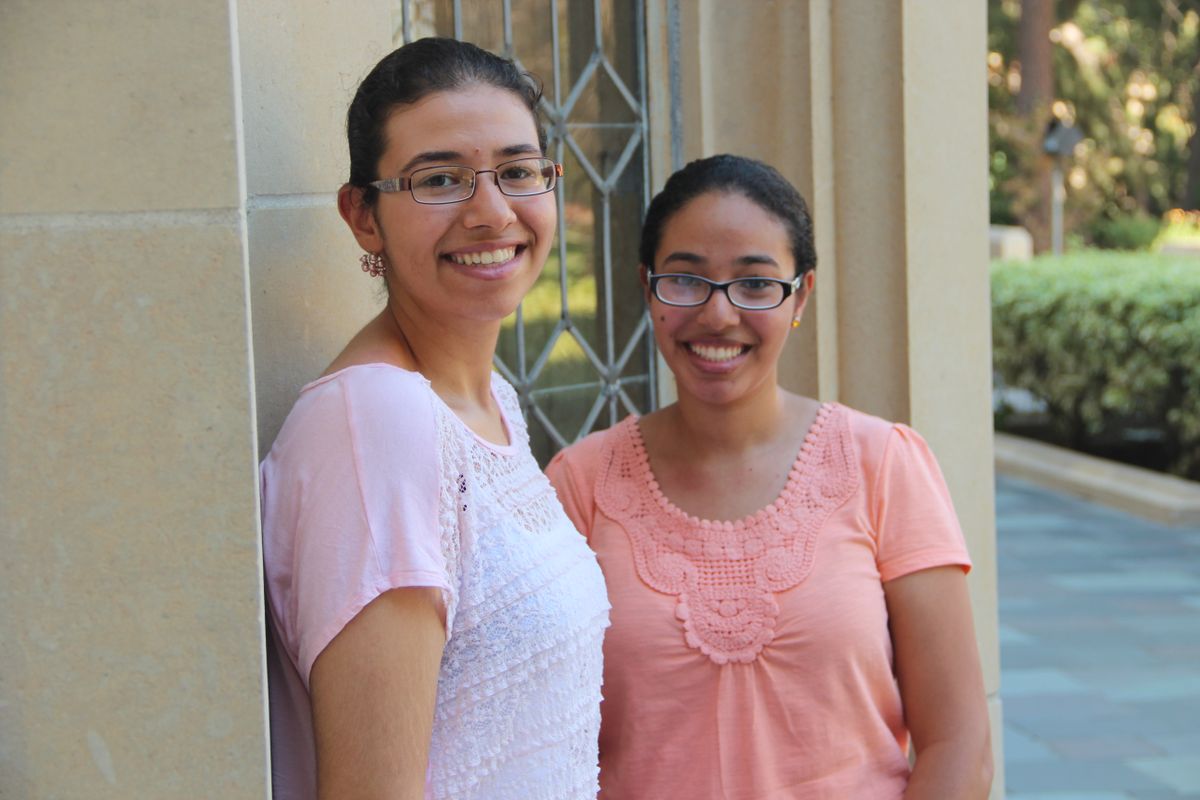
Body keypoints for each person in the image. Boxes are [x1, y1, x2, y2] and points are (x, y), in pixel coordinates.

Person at [546, 155, 992, 799]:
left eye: (755, 284)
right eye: (686, 280)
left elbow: (959, 745)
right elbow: (545, 742)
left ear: (801, 295)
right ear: (648, 289)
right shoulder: (581, 485)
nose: (719, 316)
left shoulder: (883, 465)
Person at [260, 38, 610, 800]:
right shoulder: (377, 419)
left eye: (518, 171)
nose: (491, 213)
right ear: (363, 217)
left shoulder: (493, 404)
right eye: (440, 180)